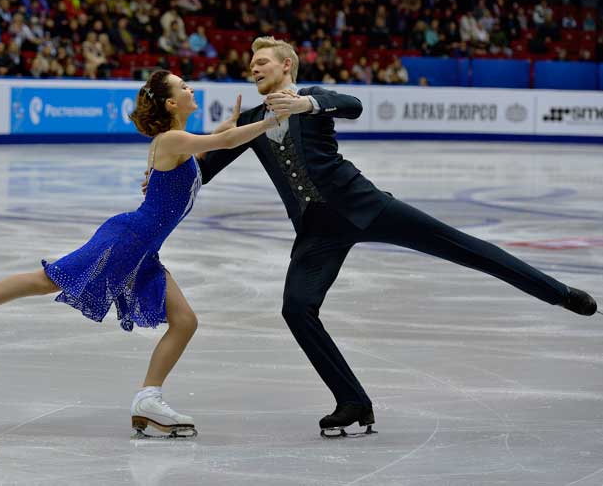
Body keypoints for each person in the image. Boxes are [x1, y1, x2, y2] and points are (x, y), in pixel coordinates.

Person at [191, 36, 598, 437]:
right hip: (317, 230)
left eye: (262, 60)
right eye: (251, 63)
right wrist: (196, 150)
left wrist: (305, 104)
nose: (254, 67)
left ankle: (559, 293)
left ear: (286, 66)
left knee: (463, 247)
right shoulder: (250, 121)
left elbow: (353, 105)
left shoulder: (313, 97)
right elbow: (203, 173)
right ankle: (352, 401)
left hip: (363, 205)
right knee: (296, 309)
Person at [0, 69, 288, 438]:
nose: (191, 89)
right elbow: (222, 143)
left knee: (185, 321)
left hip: (144, 250)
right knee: (48, 280)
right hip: (126, 240)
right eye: (183, 86)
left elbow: (207, 148)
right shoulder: (170, 140)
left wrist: (226, 127)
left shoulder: (180, 144)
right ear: (172, 103)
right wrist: (269, 122)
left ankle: (148, 400)